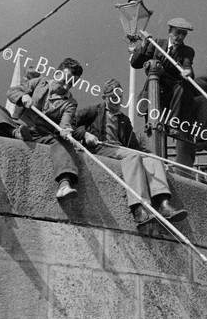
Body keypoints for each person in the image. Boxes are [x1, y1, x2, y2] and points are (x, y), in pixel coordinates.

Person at [72, 79, 188, 226]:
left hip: (120, 150)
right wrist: (85, 135)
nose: (117, 101)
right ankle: (139, 209)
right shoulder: (94, 111)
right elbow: (70, 123)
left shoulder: (124, 120)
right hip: (101, 148)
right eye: (113, 98)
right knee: (133, 156)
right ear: (105, 98)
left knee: (152, 159)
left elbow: (135, 147)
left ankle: (163, 204)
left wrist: (152, 157)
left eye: (119, 98)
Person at [0, 58, 83, 199]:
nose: (66, 86)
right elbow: (13, 91)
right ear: (57, 74)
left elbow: (65, 123)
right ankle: (16, 134)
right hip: (20, 125)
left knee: (63, 143)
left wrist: (66, 130)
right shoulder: (39, 82)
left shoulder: (70, 103)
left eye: (71, 83)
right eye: (64, 80)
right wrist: (23, 96)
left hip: (42, 135)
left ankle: (64, 185)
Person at [131, 17, 195, 125]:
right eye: (177, 33)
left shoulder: (188, 51)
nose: (180, 37)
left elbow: (187, 66)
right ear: (169, 32)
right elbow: (135, 64)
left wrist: (188, 72)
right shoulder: (156, 44)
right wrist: (144, 45)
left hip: (171, 95)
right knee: (152, 127)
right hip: (152, 91)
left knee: (182, 87)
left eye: (183, 34)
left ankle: (173, 123)